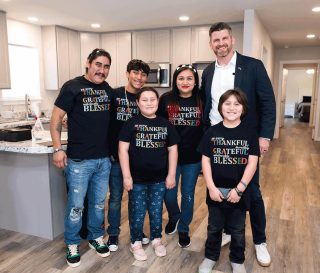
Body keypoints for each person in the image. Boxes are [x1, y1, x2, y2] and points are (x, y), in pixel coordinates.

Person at [200, 22, 276, 267]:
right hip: (216, 141)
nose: (220, 43)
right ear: (211, 44)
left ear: (232, 40)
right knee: (219, 191)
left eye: (224, 39)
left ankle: (260, 241)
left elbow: (267, 102)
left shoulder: (253, 66)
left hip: (244, 141)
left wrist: (264, 136)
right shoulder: (208, 72)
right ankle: (226, 232)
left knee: (251, 192)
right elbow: (207, 106)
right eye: (216, 40)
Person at [50, 48, 113, 268]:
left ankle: (96, 237)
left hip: (103, 160)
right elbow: (56, 117)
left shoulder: (107, 90)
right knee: (76, 206)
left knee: (97, 204)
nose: (102, 70)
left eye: (106, 66)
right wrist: (58, 149)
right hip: (78, 161)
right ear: (88, 63)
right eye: (98, 64)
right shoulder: (72, 86)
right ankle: (72, 243)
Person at [198, 89, 259, 273]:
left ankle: (237, 260)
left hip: (239, 192)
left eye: (236, 104)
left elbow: (252, 163)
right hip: (216, 190)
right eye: (227, 103)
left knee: (238, 230)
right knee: (214, 227)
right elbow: (206, 160)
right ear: (220, 107)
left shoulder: (249, 133)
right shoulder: (211, 132)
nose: (232, 107)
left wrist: (240, 189)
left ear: (243, 108)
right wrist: (210, 186)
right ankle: (210, 256)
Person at [118, 87, 179, 261]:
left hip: (159, 179)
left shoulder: (165, 124)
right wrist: (127, 176)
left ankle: (156, 239)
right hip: (136, 180)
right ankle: (135, 242)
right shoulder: (130, 124)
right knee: (136, 212)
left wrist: (171, 174)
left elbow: (173, 150)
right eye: (144, 100)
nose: (149, 103)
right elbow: (123, 150)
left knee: (156, 210)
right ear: (137, 103)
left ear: (158, 102)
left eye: (152, 99)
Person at [106, 59, 151, 251]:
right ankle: (114, 234)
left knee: (137, 200)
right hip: (117, 158)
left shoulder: (146, 98)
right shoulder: (115, 95)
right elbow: (100, 120)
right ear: (127, 73)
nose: (139, 78)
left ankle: (137, 232)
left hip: (139, 160)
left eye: (142, 74)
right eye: (135, 73)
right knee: (116, 198)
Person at [157, 64, 203, 248]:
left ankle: (184, 228)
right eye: (181, 78)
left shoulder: (202, 99)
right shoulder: (166, 99)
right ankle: (175, 216)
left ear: (195, 81)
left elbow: (207, 126)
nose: (185, 82)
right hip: (170, 157)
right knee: (168, 195)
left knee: (188, 195)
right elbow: (158, 125)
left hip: (193, 157)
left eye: (189, 78)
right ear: (175, 80)